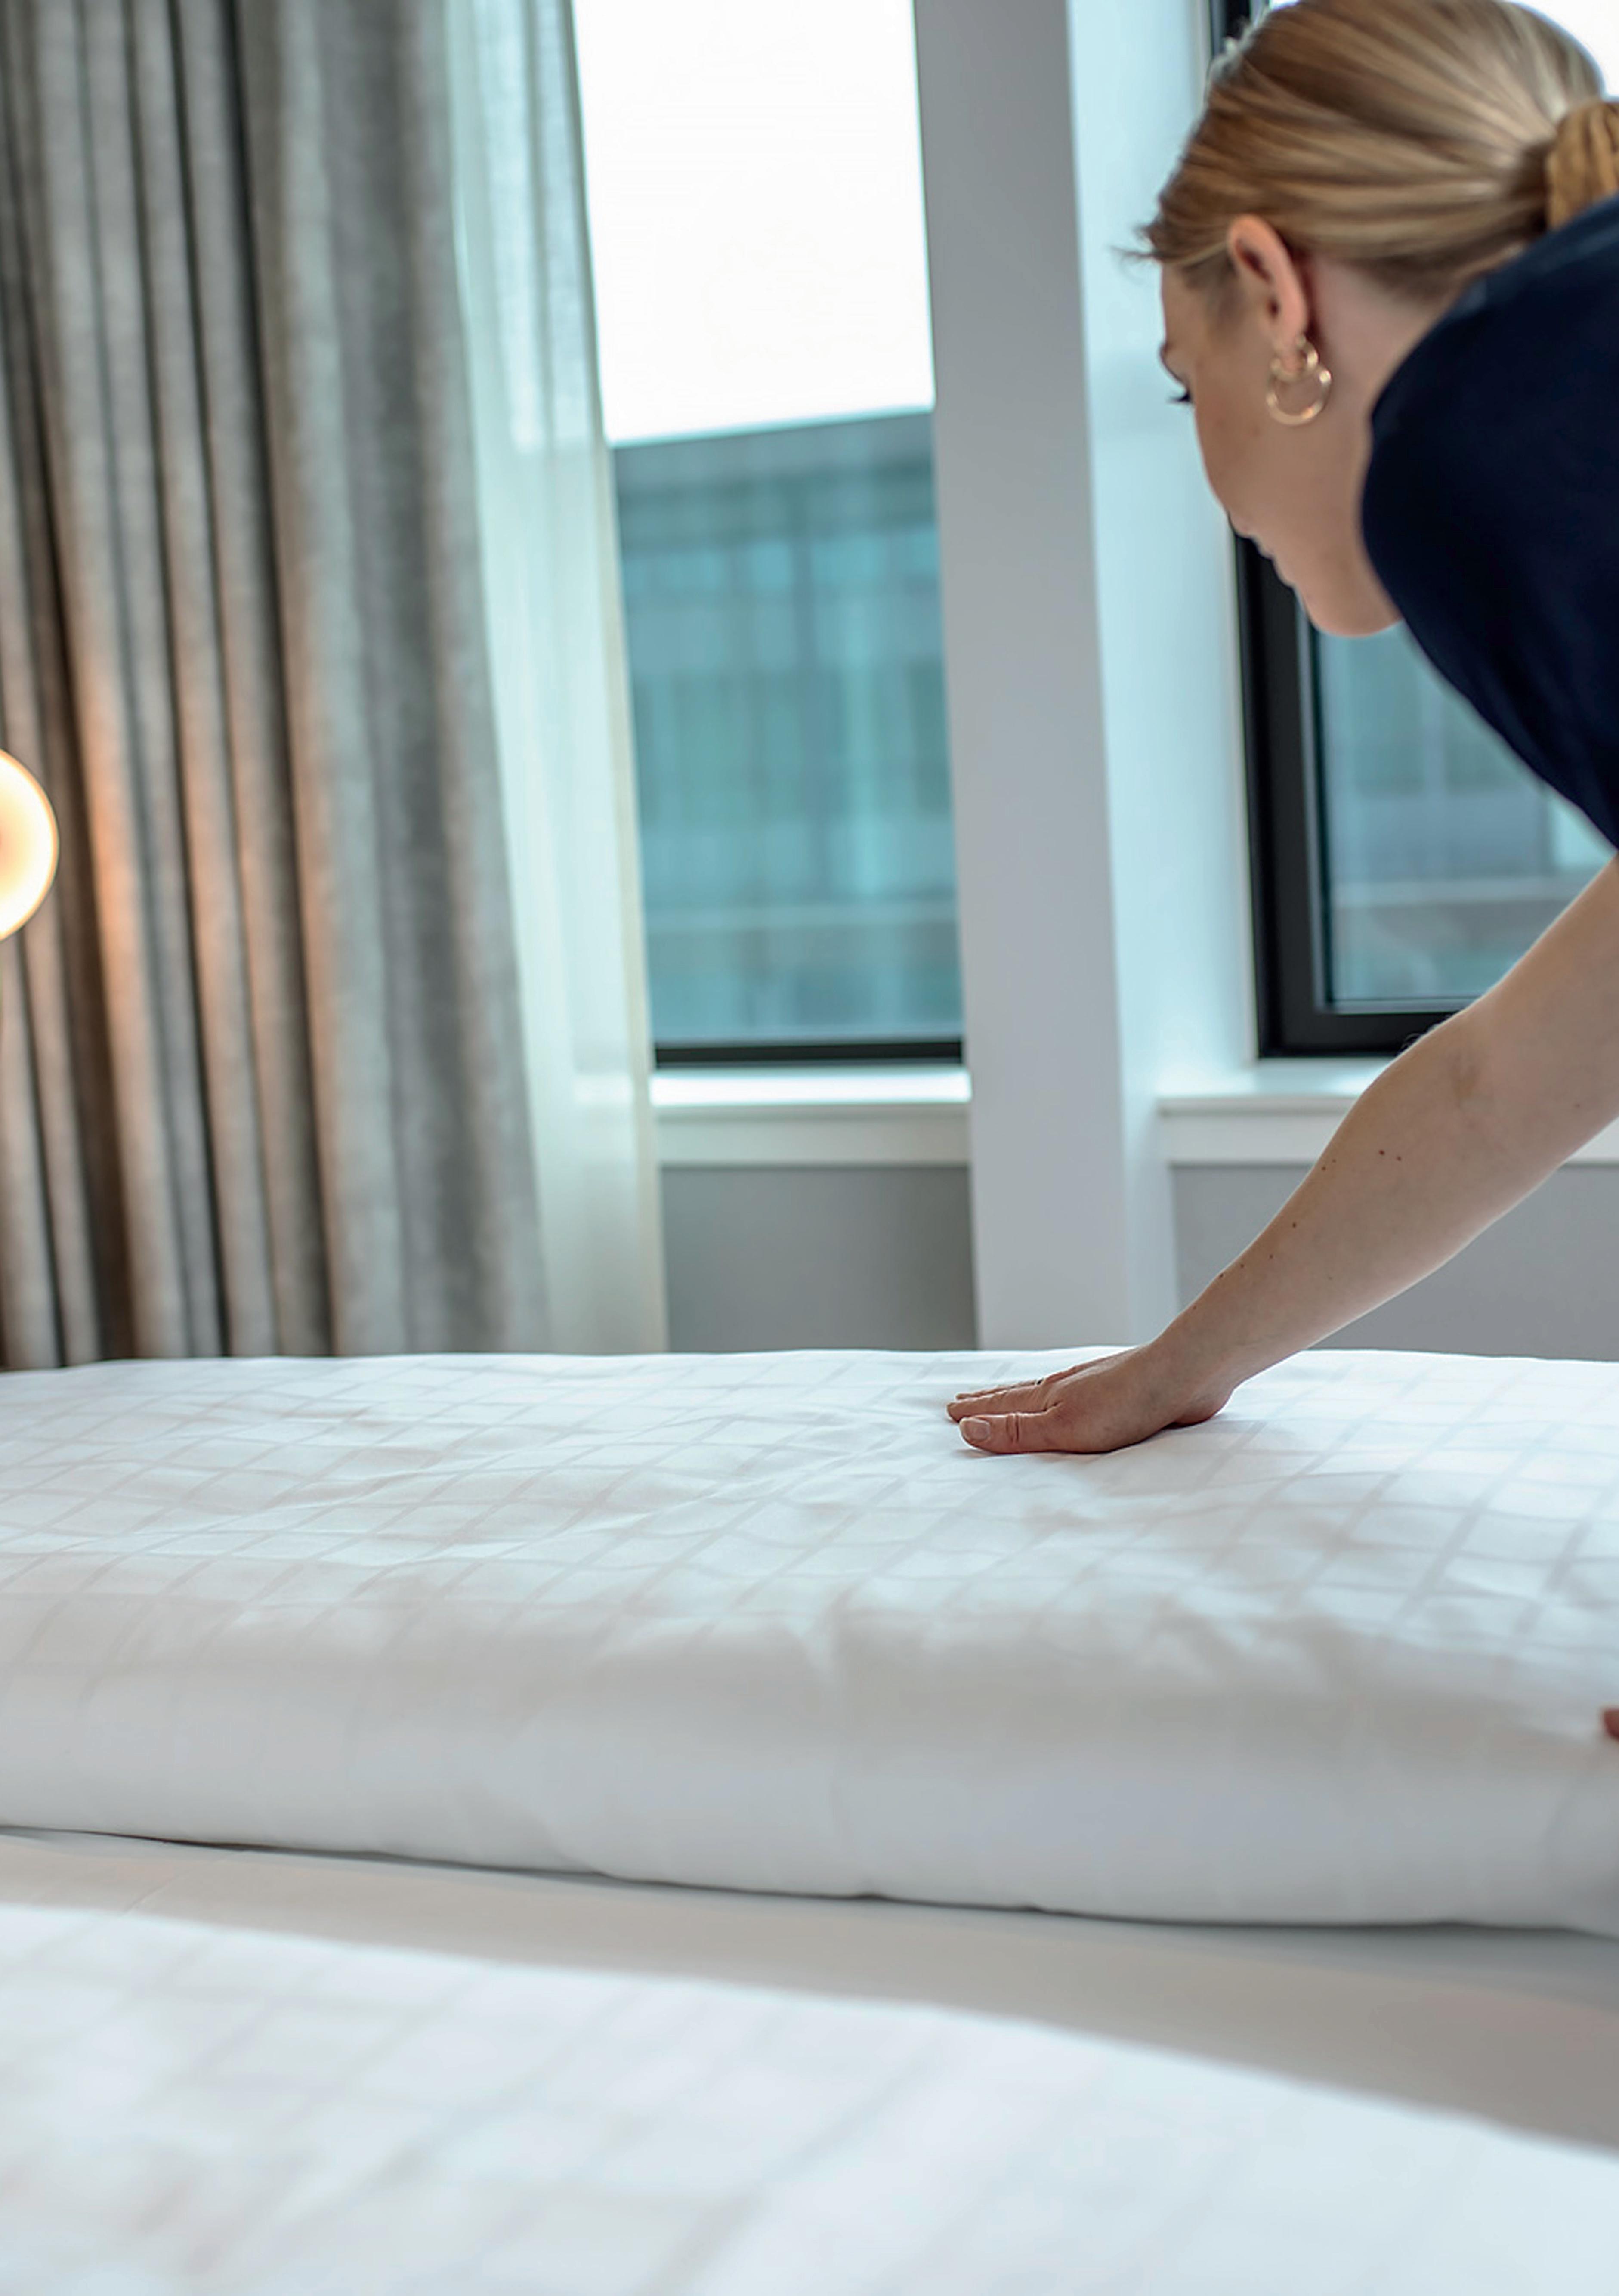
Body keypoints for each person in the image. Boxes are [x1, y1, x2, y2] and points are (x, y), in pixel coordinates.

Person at [948, 0, 1619, 1469]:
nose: (1203, 456)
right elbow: (1499, 1084)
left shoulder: (1470, 441)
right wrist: (1178, 1369)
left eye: (1181, 381)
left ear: (1271, 291)